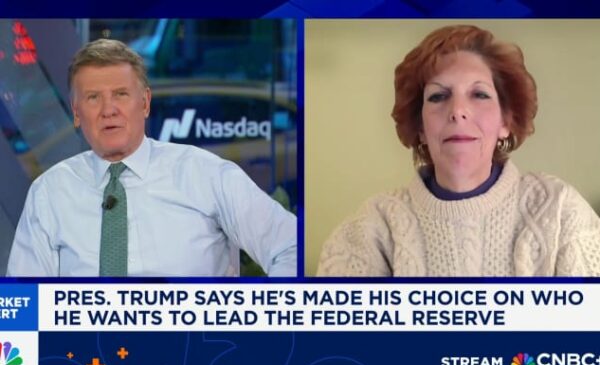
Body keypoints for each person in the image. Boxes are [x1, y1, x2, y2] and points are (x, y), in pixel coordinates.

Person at [318, 25, 600, 276]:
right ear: (420, 127)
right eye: (438, 96)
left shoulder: (560, 210)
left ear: (506, 121)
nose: (458, 111)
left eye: (479, 94)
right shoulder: (372, 228)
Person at [7, 39, 296, 277]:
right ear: (76, 112)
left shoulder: (206, 174)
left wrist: (258, 320)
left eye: (121, 94)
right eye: (93, 97)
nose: (108, 110)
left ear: (144, 103)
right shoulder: (50, 192)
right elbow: (25, 301)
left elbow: (290, 247)